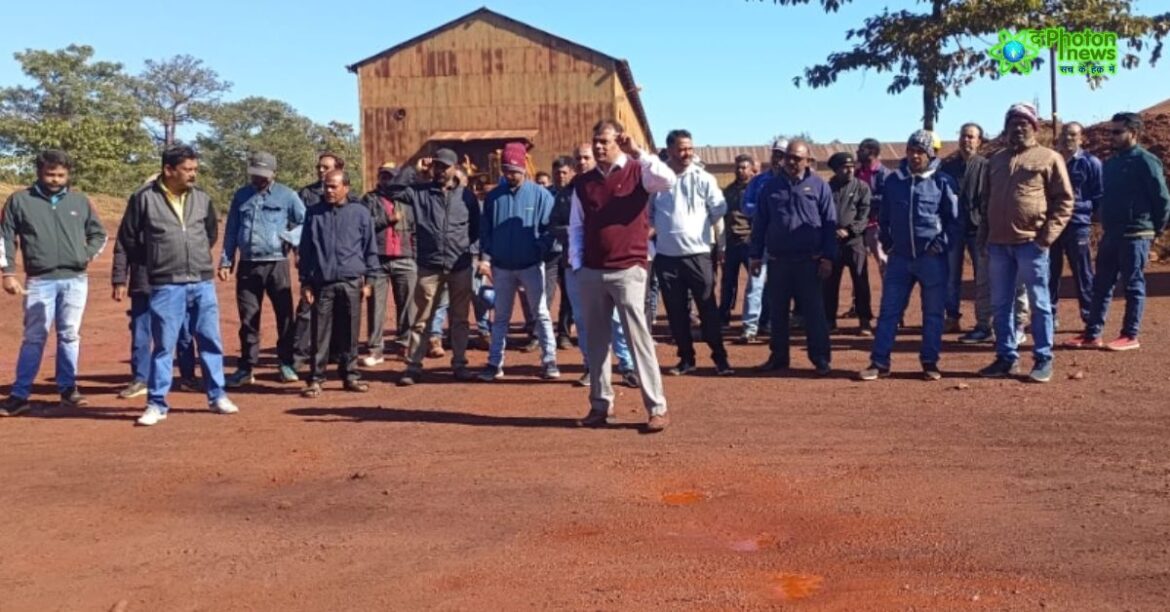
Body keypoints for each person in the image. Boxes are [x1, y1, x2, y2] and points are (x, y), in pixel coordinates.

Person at [116, 145, 239, 426]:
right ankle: (157, 404)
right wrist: (158, 259)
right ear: (169, 170)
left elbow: (209, 233)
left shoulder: (203, 199)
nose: (193, 174)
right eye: (188, 169)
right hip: (166, 284)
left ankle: (217, 395)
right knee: (163, 346)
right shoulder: (143, 199)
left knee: (210, 341)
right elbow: (129, 239)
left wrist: (193, 257)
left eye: (195, 169)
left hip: (202, 281)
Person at [570, 119, 676, 432]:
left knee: (637, 339)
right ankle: (600, 405)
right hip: (592, 270)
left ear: (619, 141)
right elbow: (577, 224)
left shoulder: (638, 170)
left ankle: (657, 407)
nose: (599, 146)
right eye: (596, 141)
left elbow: (667, 180)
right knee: (597, 342)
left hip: (628, 268)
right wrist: (578, 263)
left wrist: (638, 152)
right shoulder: (583, 182)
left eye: (605, 141)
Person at [0, 150, 107, 416]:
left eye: (61, 175)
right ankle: (20, 394)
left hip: (75, 280)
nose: (55, 179)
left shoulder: (80, 201)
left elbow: (99, 234)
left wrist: (85, 254)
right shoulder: (20, 201)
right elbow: (5, 238)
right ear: (39, 172)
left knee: (70, 335)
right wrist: (8, 273)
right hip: (39, 281)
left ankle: (68, 389)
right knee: (34, 338)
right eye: (50, 174)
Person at [978, 102, 1074, 383]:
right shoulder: (994, 160)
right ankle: (1006, 357)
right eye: (1012, 123)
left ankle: (1043, 358)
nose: (1017, 128)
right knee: (1000, 304)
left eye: (1024, 123)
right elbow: (986, 202)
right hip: (998, 245)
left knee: (1039, 303)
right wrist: (984, 237)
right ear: (1005, 128)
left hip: (1031, 244)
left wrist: (1045, 238)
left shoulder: (1049, 157)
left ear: (1034, 127)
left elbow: (1065, 201)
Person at [859, 131, 959, 381]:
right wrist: (888, 243)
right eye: (911, 150)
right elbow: (884, 218)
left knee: (934, 313)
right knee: (889, 311)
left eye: (920, 151)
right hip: (900, 259)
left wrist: (940, 244)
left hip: (932, 260)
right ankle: (879, 362)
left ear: (930, 154)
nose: (915, 156)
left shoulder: (943, 182)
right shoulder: (894, 181)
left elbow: (954, 221)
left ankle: (929, 362)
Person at [1066, 112, 1170, 352]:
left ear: (1133, 133)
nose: (1111, 136)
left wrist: (1155, 228)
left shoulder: (1146, 161)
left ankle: (1129, 334)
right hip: (1111, 234)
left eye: (1117, 132)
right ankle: (1092, 334)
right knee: (1101, 284)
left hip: (1136, 234)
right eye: (1110, 131)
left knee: (1133, 284)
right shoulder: (1111, 164)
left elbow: (1162, 198)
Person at [218, 151, 305, 387]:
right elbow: (232, 230)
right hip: (248, 265)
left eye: (263, 175)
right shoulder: (241, 196)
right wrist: (227, 261)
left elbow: (304, 222)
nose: (259, 179)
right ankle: (246, 367)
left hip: (277, 263)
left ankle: (287, 363)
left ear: (273, 173)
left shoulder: (287, 196)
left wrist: (290, 239)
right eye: (255, 174)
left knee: (284, 316)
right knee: (248, 318)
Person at [750, 140, 835, 376]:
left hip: (809, 261)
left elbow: (829, 225)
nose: (791, 162)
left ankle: (820, 359)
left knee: (814, 313)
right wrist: (755, 256)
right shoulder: (771, 187)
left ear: (807, 160)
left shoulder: (819, 186)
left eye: (797, 158)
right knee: (778, 313)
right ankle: (778, 357)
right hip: (778, 261)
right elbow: (760, 223)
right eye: (788, 157)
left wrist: (828, 257)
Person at [651, 129, 732, 376]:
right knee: (676, 312)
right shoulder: (656, 179)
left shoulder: (703, 178)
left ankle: (721, 359)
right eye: (681, 148)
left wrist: (700, 228)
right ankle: (686, 359)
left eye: (690, 148)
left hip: (698, 255)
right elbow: (648, 213)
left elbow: (719, 209)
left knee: (708, 309)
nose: (687, 153)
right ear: (669, 150)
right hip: (666, 257)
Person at [477, 141, 560, 381]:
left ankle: (549, 360)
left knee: (540, 313)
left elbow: (550, 229)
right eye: (506, 170)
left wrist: (538, 250)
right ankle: (495, 363)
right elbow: (486, 230)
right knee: (500, 316)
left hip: (531, 266)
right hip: (502, 267)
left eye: (514, 170)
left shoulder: (541, 195)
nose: (509, 175)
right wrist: (487, 256)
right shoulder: (493, 197)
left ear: (523, 168)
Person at [398, 148, 481, 385]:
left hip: (460, 265)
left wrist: (470, 252)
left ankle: (460, 364)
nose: (440, 170)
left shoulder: (466, 197)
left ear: (455, 168)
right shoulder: (420, 193)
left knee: (460, 319)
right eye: (437, 165)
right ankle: (413, 366)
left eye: (445, 166)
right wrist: (413, 169)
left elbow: (476, 229)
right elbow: (392, 189)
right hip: (429, 266)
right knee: (422, 319)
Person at [562, 143, 640, 389]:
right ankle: (590, 368)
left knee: (618, 321)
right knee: (584, 321)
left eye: (586, 157)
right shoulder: (571, 190)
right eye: (578, 158)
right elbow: (566, 226)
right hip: (582, 267)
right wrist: (576, 261)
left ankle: (626, 365)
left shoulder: (609, 184)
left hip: (616, 265)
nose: (582, 161)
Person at [297, 170, 378, 397]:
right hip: (323, 282)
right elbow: (306, 250)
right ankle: (315, 379)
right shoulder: (314, 214)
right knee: (320, 333)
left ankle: (350, 375)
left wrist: (370, 280)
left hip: (352, 282)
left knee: (350, 333)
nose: (329, 191)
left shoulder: (360, 213)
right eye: (326, 186)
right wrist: (305, 283)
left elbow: (370, 248)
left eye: (333, 186)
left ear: (346, 187)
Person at [112, 230, 198, 399]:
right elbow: (122, 246)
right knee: (140, 333)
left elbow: (202, 236)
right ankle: (140, 379)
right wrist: (119, 279)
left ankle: (188, 377)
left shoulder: (178, 207)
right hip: (143, 283)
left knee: (183, 330)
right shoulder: (135, 210)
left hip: (176, 281)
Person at [359, 162, 418, 366]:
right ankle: (375, 349)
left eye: (391, 176)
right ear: (379, 177)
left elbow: (416, 229)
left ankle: (404, 344)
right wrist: (389, 219)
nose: (387, 180)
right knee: (376, 306)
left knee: (407, 306)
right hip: (378, 259)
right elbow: (364, 226)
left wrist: (415, 256)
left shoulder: (408, 199)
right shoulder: (369, 199)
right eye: (384, 176)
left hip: (405, 257)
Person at [1049, 122, 1104, 330]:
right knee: (1050, 272)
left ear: (1081, 138)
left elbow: (1098, 195)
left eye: (1073, 134)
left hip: (1078, 225)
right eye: (1064, 134)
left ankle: (1089, 315)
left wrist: (1086, 214)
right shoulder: (1052, 161)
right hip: (1053, 225)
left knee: (1083, 272)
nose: (1068, 138)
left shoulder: (1091, 163)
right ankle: (1050, 315)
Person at [737, 139, 789, 343]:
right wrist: (765, 212)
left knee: (782, 285)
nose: (779, 158)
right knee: (755, 283)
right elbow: (746, 206)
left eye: (783, 155)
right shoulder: (758, 181)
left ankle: (775, 325)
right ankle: (750, 327)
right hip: (761, 239)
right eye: (776, 154)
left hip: (785, 242)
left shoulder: (793, 181)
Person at [823, 152, 873, 335]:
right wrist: (831, 231)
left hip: (855, 243)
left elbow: (865, 214)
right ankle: (829, 321)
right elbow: (822, 213)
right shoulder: (827, 188)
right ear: (836, 170)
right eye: (845, 167)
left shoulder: (862, 187)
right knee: (829, 283)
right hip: (832, 243)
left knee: (860, 282)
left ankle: (865, 320)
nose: (850, 170)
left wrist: (851, 230)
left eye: (852, 166)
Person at [718, 153, 758, 329]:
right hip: (731, 242)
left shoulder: (756, 190)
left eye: (744, 167)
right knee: (727, 281)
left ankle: (757, 318)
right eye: (738, 167)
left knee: (755, 283)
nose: (740, 171)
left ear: (751, 170)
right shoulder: (728, 191)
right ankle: (724, 315)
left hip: (749, 242)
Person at [857, 138, 892, 277]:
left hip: (876, 225)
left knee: (883, 261)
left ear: (871, 152)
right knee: (858, 264)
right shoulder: (857, 172)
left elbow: (886, 199)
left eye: (861, 150)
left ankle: (889, 295)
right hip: (859, 226)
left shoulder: (884, 174)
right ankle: (859, 297)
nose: (858, 152)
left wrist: (864, 200)